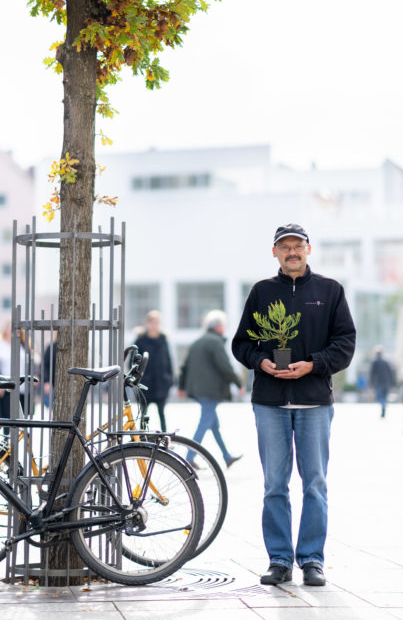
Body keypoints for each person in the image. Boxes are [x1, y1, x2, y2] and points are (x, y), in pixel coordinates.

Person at [232, 223, 356, 588]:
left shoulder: (330, 291)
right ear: (274, 253)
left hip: (314, 402)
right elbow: (241, 343)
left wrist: (314, 364)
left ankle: (313, 559)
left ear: (308, 249)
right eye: (284, 247)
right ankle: (280, 559)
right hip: (269, 402)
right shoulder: (261, 292)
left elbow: (345, 342)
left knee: (315, 483)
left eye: (297, 246)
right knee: (274, 484)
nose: (291, 252)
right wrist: (261, 362)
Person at [178, 309, 244, 468]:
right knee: (204, 423)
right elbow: (225, 366)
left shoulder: (197, 342)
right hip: (210, 391)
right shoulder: (215, 342)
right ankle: (188, 457)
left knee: (214, 425)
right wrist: (239, 383)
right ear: (219, 326)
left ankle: (227, 457)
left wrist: (181, 387)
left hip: (198, 390)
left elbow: (184, 367)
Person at [134, 311, 174, 431]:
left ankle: (165, 438)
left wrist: (169, 379)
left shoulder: (163, 340)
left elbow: (168, 361)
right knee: (143, 414)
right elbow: (134, 362)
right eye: (152, 322)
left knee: (162, 414)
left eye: (157, 322)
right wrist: (137, 379)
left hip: (161, 383)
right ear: (147, 323)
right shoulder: (140, 341)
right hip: (145, 384)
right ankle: (141, 437)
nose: (155, 325)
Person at [369, 345, 395, 418]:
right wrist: (392, 382)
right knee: (384, 396)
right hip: (386, 382)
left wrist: (370, 383)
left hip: (378, 382)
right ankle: (384, 406)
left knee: (379, 397)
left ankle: (383, 405)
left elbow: (372, 373)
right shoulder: (386, 361)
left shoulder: (374, 362)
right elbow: (390, 372)